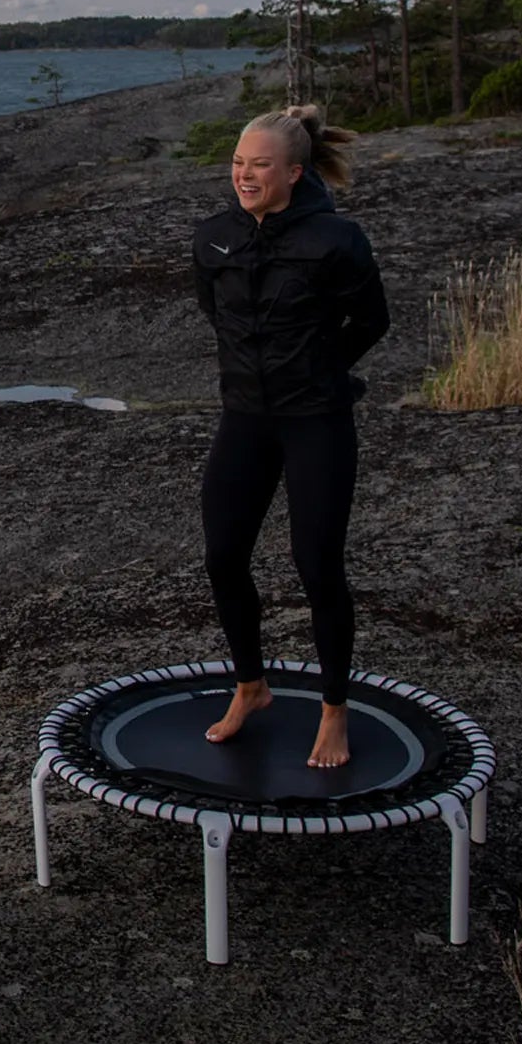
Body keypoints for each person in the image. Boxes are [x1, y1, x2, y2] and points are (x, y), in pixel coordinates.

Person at [190, 104, 389, 768]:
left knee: (317, 565)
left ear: (295, 172)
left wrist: (318, 371)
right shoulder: (214, 237)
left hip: (316, 421)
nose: (244, 175)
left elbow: (372, 320)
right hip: (245, 418)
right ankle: (251, 686)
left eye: (260, 165)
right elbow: (216, 313)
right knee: (223, 556)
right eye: (238, 164)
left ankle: (334, 710)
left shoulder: (337, 240)